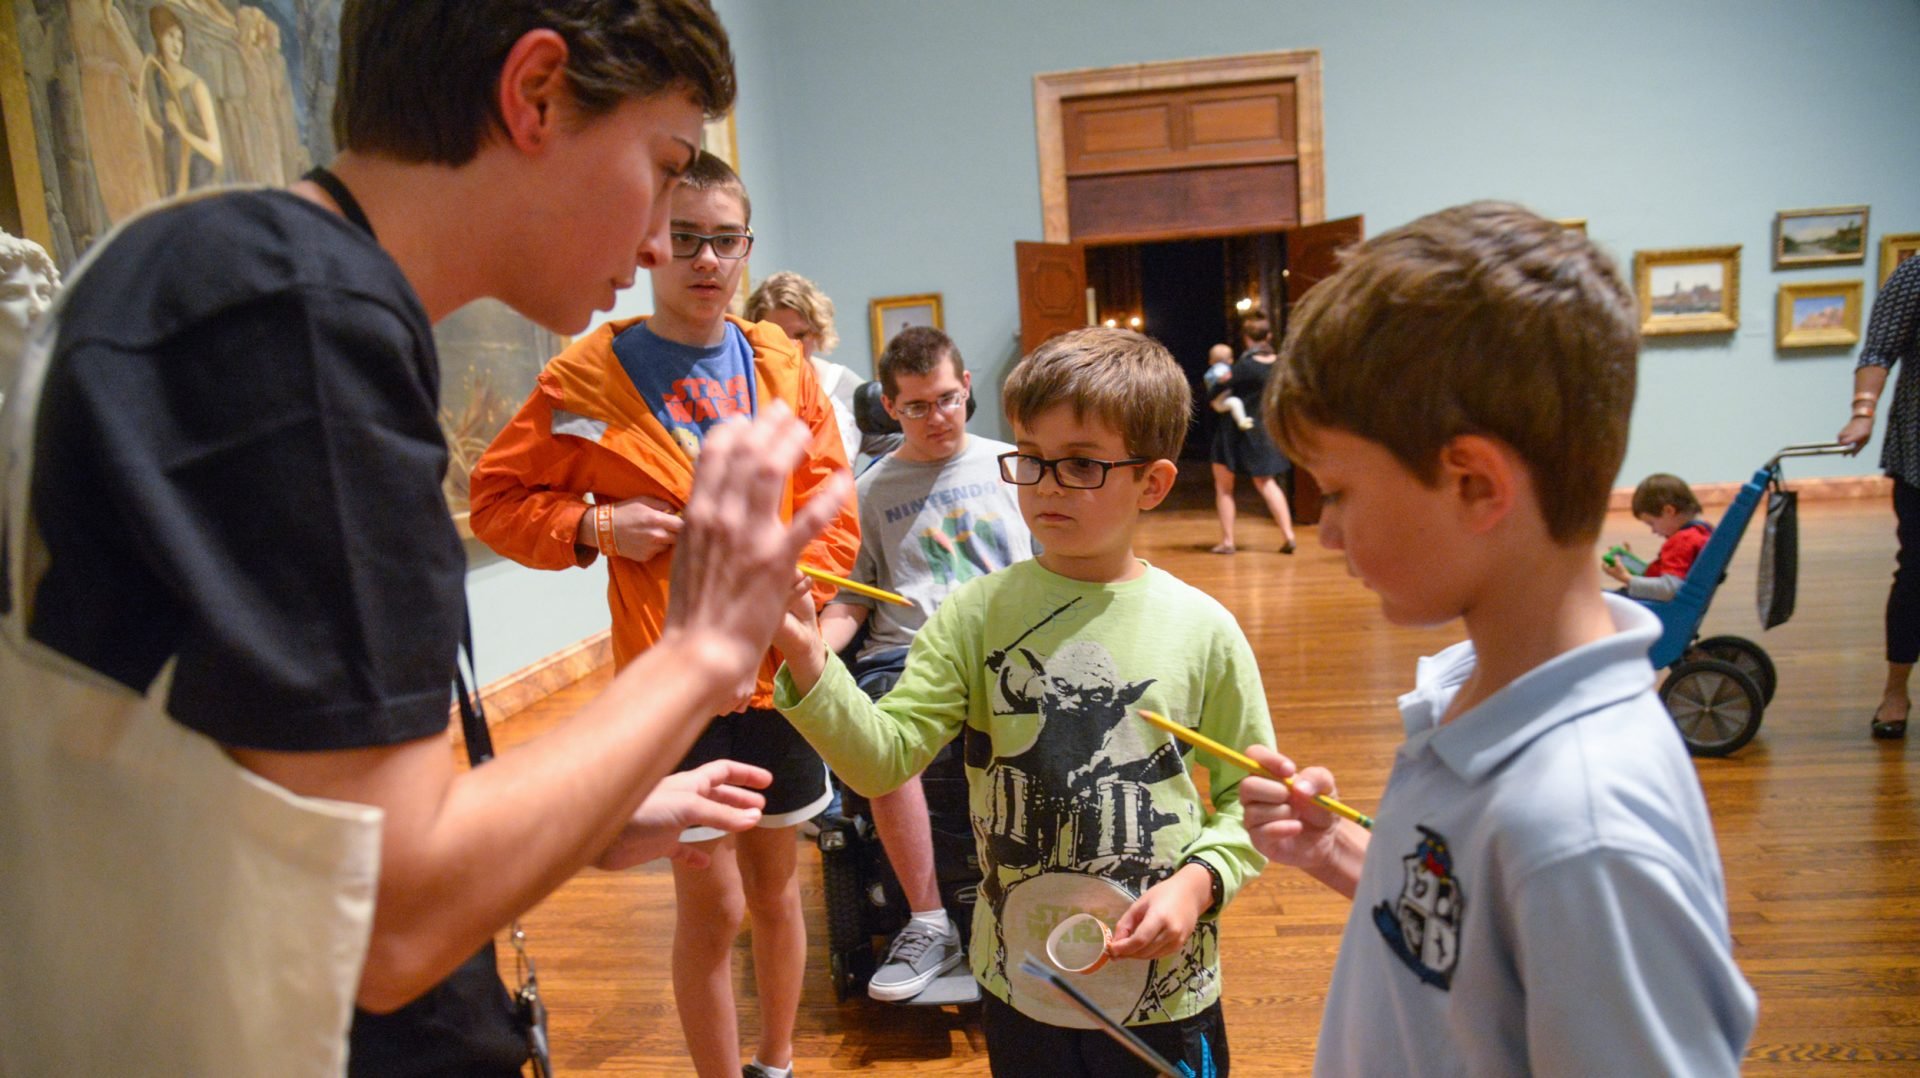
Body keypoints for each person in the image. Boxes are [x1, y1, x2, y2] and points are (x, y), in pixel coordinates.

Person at [4, 3, 854, 1075]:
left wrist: (583, 815)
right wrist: (701, 652)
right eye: (662, 166)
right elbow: (392, 926)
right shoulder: (291, 322)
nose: (656, 242)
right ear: (535, 95)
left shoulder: (220, 272)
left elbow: (302, 815)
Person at [1240, 201, 1757, 1074]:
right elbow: (1475, 949)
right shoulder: (1480, 696)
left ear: (1477, 485)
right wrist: (1343, 853)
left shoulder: (1581, 830)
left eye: (1339, 492)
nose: (1326, 533)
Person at [773, 327, 1272, 1076]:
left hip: (1165, 990)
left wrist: (1197, 884)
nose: (1045, 485)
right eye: (1032, 458)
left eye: (1081, 464)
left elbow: (1251, 803)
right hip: (1021, 982)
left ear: (1153, 483)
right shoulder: (973, 616)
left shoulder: (1204, 629)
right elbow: (882, 762)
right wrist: (808, 658)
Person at [468, 150, 859, 1078]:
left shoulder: (781, 365)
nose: (707, 260)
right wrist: (598, 525)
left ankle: (777, 1063)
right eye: (685, 239)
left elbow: (831, 500)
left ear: (747, 248)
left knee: (777, 890)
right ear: (651, 244)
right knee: (710, 907)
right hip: (670, 686)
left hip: (778, 679)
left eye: (725, 240)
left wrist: (796, 596)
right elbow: (495, 501)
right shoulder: (587, 378)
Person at [813, 325, 1034, 1001]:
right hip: (904, 653)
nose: (935, 417)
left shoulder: (1014, 467)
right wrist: (812, 648)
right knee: (884, 742)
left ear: (965, 387)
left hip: (1005, 648)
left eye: (945, 400)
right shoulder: (869, 491)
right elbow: (852, 600)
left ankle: (1032, 908)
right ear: (889, 405)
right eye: (915, 407)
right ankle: (930, 921)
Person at [1840, 255, 1920, 740]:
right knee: (1916, 574)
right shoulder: (1915, 273)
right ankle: (1896, 691)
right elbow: (1879, 348)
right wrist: (1863, 412)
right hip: (1919, 455)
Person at [746, 269, 901, 467]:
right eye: (777, 337)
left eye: (801, 335)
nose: (792, 347)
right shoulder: (745, 388)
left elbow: (904, 451)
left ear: (817, 331)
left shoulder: (843, 387)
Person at [1208, 311, 1297, 555]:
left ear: (1246, 338)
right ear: (1269, 336)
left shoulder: (1243, 366)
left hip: (1234, 431)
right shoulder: (1280, 366)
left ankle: (1228, 541)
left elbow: (1215, 390)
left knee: (1224, 487)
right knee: (1267, 482)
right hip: (1265, 430)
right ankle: (1288, 535)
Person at [1601, 472, 1712, 601]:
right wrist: (1631, 565)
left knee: (1593, 598)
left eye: (1651, 523)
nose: (1653, 531)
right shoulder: (1703, 530)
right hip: (1679, 601)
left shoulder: (1682, 541)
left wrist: (1626, 578)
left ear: (1669, 511)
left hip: (1659, 606)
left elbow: (1669, 589)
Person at [1203, 342, 1255, 431]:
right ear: (1230, 360)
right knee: (1235, 402)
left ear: (1210, 361)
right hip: (1220, 401)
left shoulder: (1210, 372)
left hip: (1217, 401)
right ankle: (1242, 421)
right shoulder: (1223, 369)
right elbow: (1222, 378)